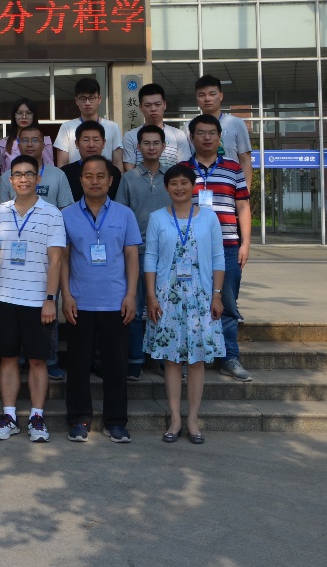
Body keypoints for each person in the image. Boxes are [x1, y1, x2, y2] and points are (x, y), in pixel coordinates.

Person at [61, 155, 142, 444]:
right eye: (88, 176)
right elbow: (63, 259)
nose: (94, 181)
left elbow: (132, 257)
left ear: (110, 180)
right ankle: (79, 419)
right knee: (78, 365)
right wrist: (66, 295)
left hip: (116, 302)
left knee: (116, 366)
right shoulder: (67, 215)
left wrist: (131, 295)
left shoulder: (125, 214)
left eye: (100, 176)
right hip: (79, 302)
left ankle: (116, 422)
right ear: (80, 180)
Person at [0, 155, 66, 443]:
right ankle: (9, 416)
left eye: (28, 174)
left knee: (37, 361)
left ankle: (37, 417)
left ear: (38, 179)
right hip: (4, 297)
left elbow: (56, 261)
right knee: (7, 358)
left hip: (37, 300)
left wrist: (50, 299)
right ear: (10, 181)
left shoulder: (52, 213)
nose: (23, 179)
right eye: (17, 174)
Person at [144, 164, 226, 445]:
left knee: (197, 360)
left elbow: (218, 257)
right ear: (166, 187)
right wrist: (151, 295)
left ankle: (192, 419)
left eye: (184, 182)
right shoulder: (157, 218)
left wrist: (217, 294)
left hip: (200, 296)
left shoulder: (209, 217)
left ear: (194, 186)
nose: (179, 188)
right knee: (171, 360)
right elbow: (151, 257)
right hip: (167, 297)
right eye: (174, 183)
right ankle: (175, 418)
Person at [182, 114, 253, 383]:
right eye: (201, 133)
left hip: (227, 246)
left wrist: (246, 243)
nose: (207, 137)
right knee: (189, 303)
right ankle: (190, 357)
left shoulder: (233, 168)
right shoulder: (182, 170)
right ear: (191, 137)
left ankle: (229, 358)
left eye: (212, 133)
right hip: (190, 248)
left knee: (228, 304)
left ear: (220, 137)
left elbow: (243, 206)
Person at [117, 124, 173, 380]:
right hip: (137, 251)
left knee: (164, 306)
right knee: (134, 306)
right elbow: (121, 214)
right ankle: (135, 359)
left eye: (156, 143)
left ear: (163, 147)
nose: (151, 147)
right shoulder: (128, 178)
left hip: (167, 254)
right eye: (146, 143)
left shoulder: (172, 177)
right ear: (138, 148)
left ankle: (163, 358)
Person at [187, 74, 254, 181]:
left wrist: (244, 191)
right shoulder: (188, 127)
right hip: (198, 187)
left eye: (212, 94)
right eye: (202, 95)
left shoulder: (236, 124)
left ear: (221, 96)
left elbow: (245, 161)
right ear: (196, 98)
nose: (207, 99)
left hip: (230, 186)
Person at [0, 123, 73, 210]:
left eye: (35, 140)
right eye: (25, 140)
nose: (29, 144)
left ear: (43, 146)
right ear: (18, 146)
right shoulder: (7, 177)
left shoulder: (58, 175)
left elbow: (66, 210)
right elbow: (2, 211)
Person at [53, 77, 124, 171]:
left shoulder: (113, 127)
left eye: (92, 98)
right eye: (83, 98)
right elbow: (62, 164)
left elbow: (118, 163)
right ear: (76, 100)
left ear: (99, 99)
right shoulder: (66, 127)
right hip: (75, 176)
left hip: (104, 176)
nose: (87, 103)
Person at [123, 84, 191, 172]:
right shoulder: (130, 136)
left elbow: (184, 168)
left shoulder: (178, 135)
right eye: (148, 105)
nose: (153, 109)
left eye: (157, 104)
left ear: (165, 105)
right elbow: (130, 171)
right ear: (140, 107)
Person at [63, 120, 122, 202]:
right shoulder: (65, 173)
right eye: (86, 140)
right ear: (77, 144)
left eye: (96, 140)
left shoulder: (114, 172)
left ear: (104, 143)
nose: (91, 145)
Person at [0, 98, 54, 171]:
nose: (24, 117)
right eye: (20, 113)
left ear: (34, 115)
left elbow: (50, 168)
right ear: (14, 115)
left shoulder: (45, 141)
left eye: (28, 113)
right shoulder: (3, 143)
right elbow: (2, 171)